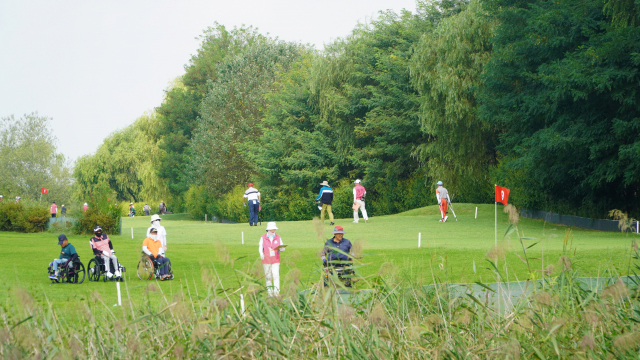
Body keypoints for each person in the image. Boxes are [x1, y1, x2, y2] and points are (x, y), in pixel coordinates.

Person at [259, 222, 285, 297]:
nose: (273, 231)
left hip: (276, 259)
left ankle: (276, 292)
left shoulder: (278, 237)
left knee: (276, 275)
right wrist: (261, 254)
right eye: (272, 229)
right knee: (268, 277)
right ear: (268, 230)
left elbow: (281, 246)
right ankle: (270, 293)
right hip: (266, 260)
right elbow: (260, 247)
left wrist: (282, 249)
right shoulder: (263, 237)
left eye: (274, 229)